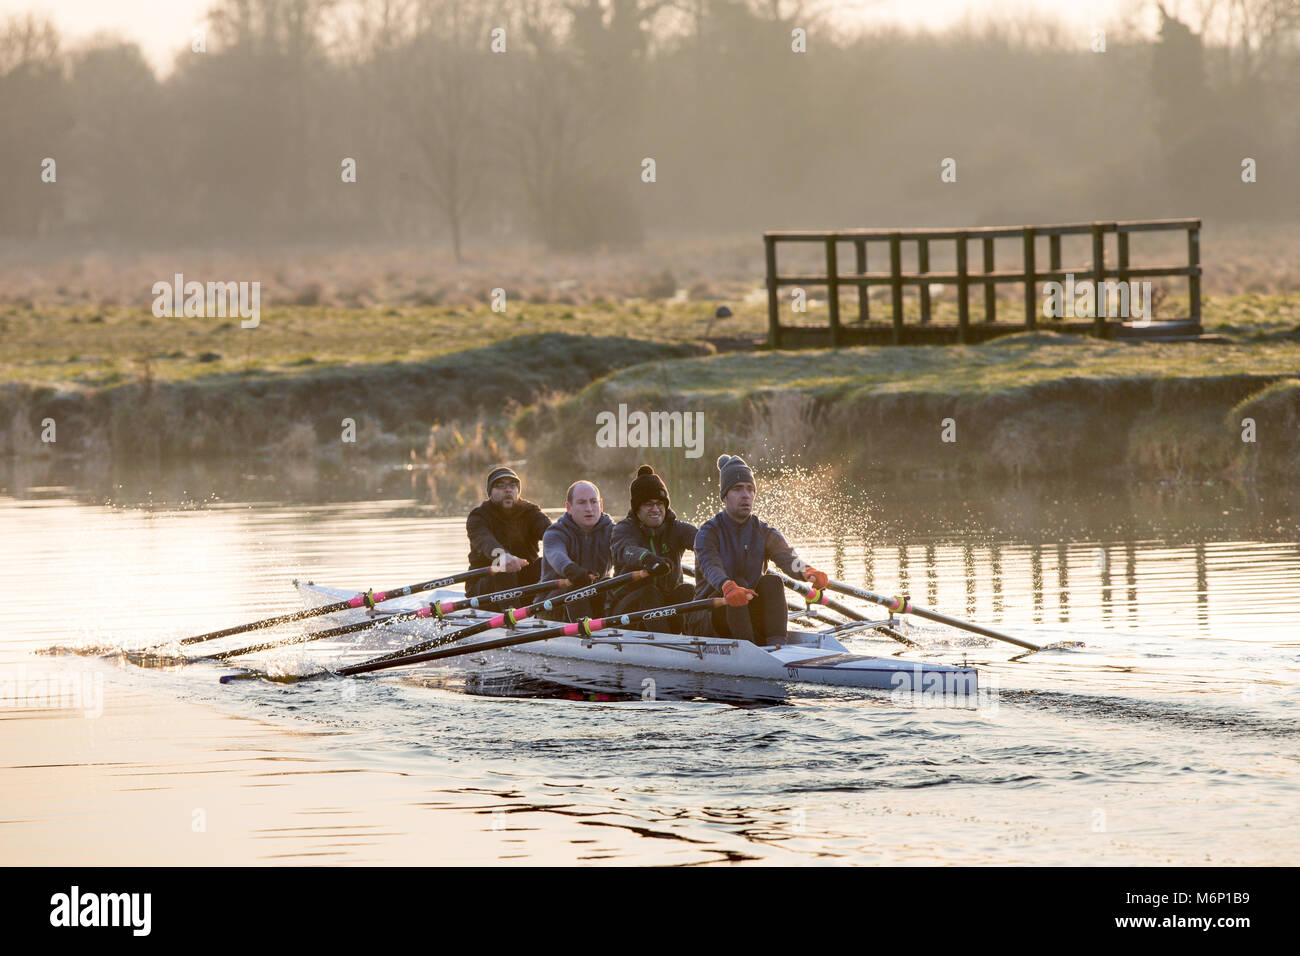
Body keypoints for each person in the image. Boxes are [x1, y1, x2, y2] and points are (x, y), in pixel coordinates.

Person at [690, 454, 830, 646]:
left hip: (745, 612)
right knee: (737, 582)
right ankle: (750, 651)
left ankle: (777, 645)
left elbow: (788, 557)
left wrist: (807, 571)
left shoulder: (763, 531)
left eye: (750, 489)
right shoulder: (707, 533)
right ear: (724, 496)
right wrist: (726, 585)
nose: (745, 495)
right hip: (710, 617)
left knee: (772, 581)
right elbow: (710, 566)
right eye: (737, 489)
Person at [607, 465, 698, 633]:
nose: (656, 509)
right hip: (626, 612)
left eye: (660, 504)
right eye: (648, 504)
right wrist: (647, 559)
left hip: (665, 608)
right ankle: (666, 646)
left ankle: (691, 639)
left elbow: (704, 540)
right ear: (637, 509)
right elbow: (626, 550)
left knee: (688, 590)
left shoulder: (676, 529)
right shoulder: (623, 530)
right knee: (649, 592)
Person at [465, 465, 551, 597]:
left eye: (512, 485)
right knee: (503, 569)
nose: (508, 490)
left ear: (518, 490)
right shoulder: (478, 517)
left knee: (549, 562)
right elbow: (485, 541)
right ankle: (511, 613)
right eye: (500, 486)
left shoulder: (531, 512)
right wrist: (502, 556)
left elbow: (551, 533)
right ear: (490, 492)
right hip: (485, 586)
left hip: (525, 583)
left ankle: (551, 610)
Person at [538, 480, 614, 621]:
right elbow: (557, 555)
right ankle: (588, 635)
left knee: (609, 584)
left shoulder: (612, 531)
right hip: (551, 607)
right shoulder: (554, 533)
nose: (589, 508)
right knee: (577, 588)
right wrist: (571, 569)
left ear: (601, 505)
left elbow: (627, 548)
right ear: (569, 507)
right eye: (581, 503)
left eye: (593, 502)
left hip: (593, 598)